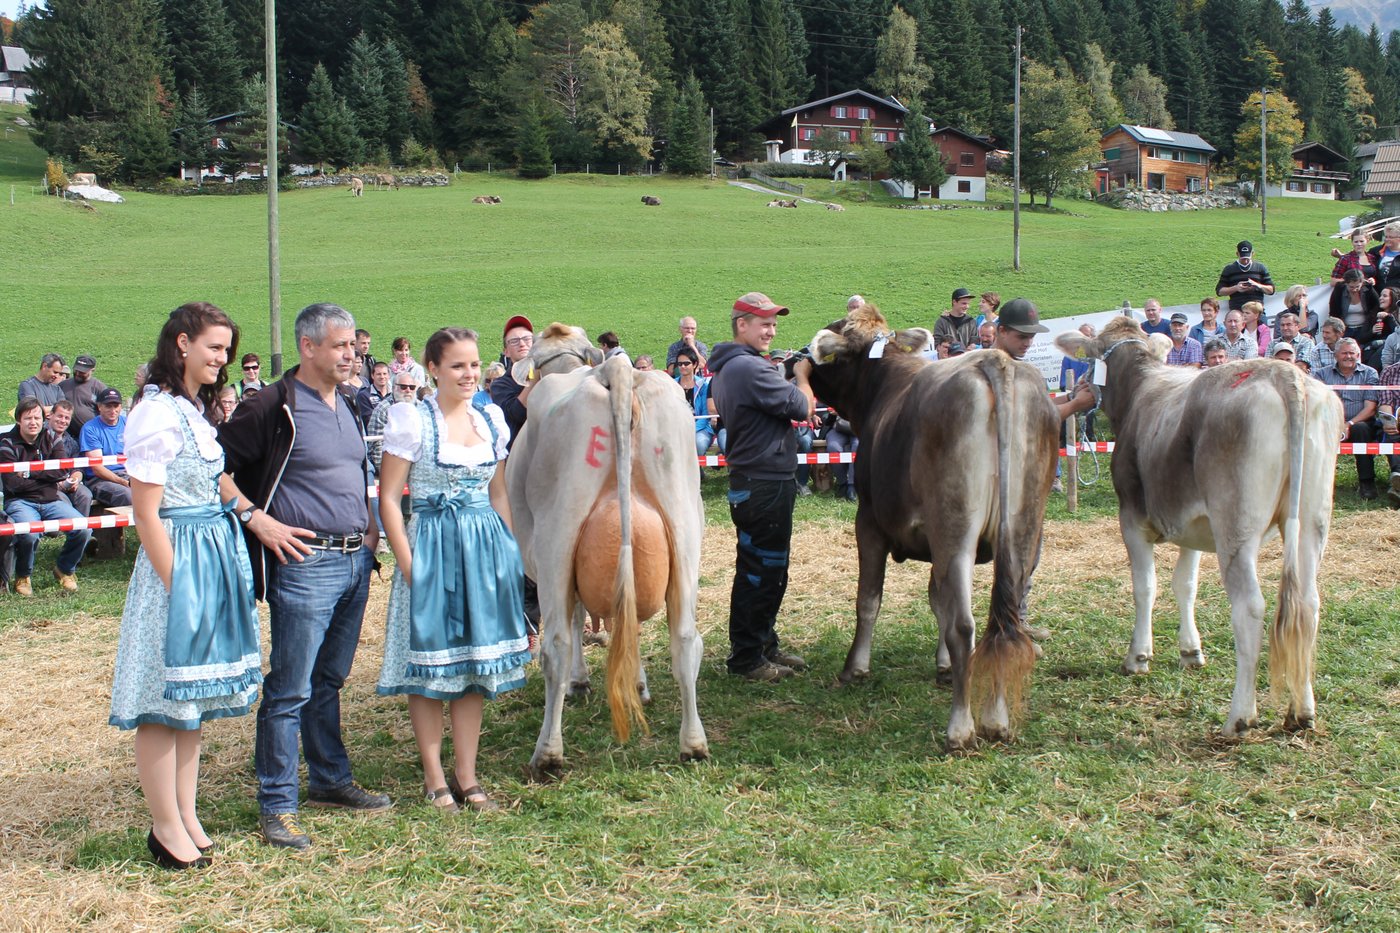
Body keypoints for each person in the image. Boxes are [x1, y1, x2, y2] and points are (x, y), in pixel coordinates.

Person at [218, 302, 389, 850]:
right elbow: (211, 469)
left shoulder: (349, 403)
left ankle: (330, 782)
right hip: (304, 563)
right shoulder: (272, 403)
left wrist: (369, 533)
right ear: (308, 347)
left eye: (352, 346)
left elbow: (356, 474)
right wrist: (256, 519)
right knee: (289, 687)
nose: (352, 353)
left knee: (328, 680)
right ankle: (276, 804)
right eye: (340, 345)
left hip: (354, 560)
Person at [108, 301, 264, 870]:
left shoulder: (188, 409)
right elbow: (146, 513)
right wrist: (181, 587)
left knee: (190, 700)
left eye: (226, 349)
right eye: (214, 348)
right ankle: (164, 825)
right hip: (175, 562)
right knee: (160, 699)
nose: (223, 360)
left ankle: (187, 813)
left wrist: (248, 520)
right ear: (181, 344)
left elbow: (214, 481)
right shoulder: (153, 413)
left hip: (209, 555)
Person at [375, 327, 530, 813]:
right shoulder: (412, 420)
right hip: (432, 548)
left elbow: (499, 493)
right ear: (434, 369)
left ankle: (467, 774)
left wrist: (508, 552)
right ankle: (434, 776)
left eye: (473, 364)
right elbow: (388, 498)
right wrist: (410, 565)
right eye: (457, 365)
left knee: (473, 665)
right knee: (430, 667)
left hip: (483, 547)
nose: (468, 373)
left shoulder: (492, 417)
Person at [708, 291, 815, 682]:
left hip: (757, 479)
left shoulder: (736, 367)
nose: (771, 330)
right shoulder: (748, 369)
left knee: (766, 568)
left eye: (774, 323)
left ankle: (763, 643)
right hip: (764, 483)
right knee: (762, 570)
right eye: (764, 323)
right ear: (742, 325)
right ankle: (748, 658)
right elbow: (802, 408)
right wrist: (801, 376)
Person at [0, 398, 93, 595]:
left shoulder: (52, 438)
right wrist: (46, 477)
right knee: (28, 534)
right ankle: (23, 576)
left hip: (51, 499)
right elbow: (12, 484)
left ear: (43, 419)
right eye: (28, 418)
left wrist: (28, 473)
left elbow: (62, 471)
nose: (33, 422)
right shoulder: (7, 443)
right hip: (20, 501)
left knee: (83, 528)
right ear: (18, 420)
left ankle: (65, 569)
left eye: (37, 417)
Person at [1315, 337, 1381, 499]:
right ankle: (1320, 485)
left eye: (1352, 353)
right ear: (1335, 355)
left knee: (1361, 429)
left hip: (1359, 422)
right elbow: (1317, 404)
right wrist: (1335, 424)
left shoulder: (1369, 373)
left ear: (1358, 355)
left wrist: (1349, 424)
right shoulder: (1321, 374)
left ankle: (1366, 482)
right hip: (1328, 422)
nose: (1349, 356)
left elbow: (1370, 408)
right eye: (1344, 353)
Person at [80, 387, 133, 507]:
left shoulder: (128, 423)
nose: (113, 410)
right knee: (128, 495)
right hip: (100, 480)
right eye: (108, 406)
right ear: (99, 407)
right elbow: (97, 468)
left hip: (128, 473)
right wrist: (124, 482)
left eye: (116, 405)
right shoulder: (90, 429)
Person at [1328, 268, 1385, 350]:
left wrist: (1371, 323)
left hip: (1363, 329)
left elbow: (1377, 306)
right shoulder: (1339, 289)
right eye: (1351, 287)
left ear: (1362, 283)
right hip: (1345, 329)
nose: (1354, 290)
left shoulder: (1368, 289)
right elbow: (1333, 310)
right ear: (1346, 283)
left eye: (1357, 286)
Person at [674, 347, 715, 456]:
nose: (682, 366)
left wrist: (690, 430)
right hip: (676, 428)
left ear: (695, 364)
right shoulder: (672, 385)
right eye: (680, 364)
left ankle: (697, 470)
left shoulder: (703, 386)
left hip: (701, 428)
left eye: (686, 363)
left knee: (699, 444)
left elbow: (706, 416)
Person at [1216, 240, 1275, 312]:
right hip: (1237, 311)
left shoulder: (1260, 268)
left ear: (1252, 253)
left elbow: (1271, 290)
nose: (1245, 261)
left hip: (1256, 310)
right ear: (1237, 254)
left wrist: (1257, 285)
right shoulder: (1229, 269)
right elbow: (1219, 291)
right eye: (1243, 258)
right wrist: (1236, 288)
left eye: (1247, 258)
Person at [60, 354, 107, 437]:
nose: (77, 373)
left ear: (92, 370)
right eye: (76, 370)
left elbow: (106, 413)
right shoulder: (63, 385)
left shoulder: (99, 388)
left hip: (91, 436)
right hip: (67, 435)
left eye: (82, 372)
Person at [1377, 357, 1400, 506]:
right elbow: (1385, 403)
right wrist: (1389, 420)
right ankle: (1397, 475)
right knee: (1392, 431)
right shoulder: (1389, 372)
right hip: (1398, 420)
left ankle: (1397, 486)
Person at [1368, 223, 1400, 291]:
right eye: (1386, 236)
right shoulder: (1375, 251)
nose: (1387, 239)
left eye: (1391, 237)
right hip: (1378, 293)